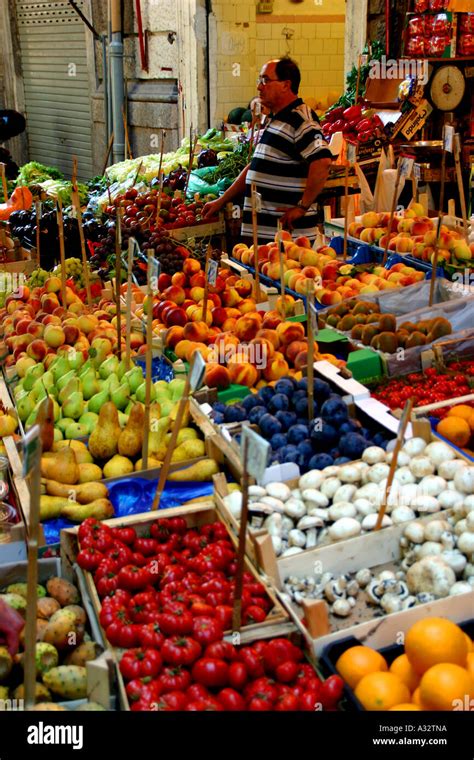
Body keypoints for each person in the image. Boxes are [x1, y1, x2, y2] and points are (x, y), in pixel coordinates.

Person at [202, 58, 332, 240]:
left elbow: (322, 161)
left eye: (265, 80)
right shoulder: (276, 120)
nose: (259, 87)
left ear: (286, 85)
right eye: (259, 81)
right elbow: (255, 168)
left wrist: (302, 207)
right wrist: (222, 201)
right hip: (265, 239)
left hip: (288, 242)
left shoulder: (301, 119)